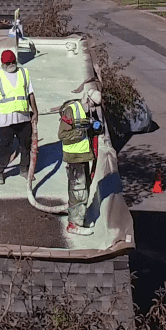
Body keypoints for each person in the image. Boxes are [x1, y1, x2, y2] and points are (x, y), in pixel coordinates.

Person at [0, 48, 36, 184]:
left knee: (26, 146)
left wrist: (35, 112)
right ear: (2, 64)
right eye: (8, 63)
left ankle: (24, 169)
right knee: (4, 148)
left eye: (13, 62)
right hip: (6, 121)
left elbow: (30, 93)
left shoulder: (24, 73)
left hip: (23, 118)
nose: (11, 65)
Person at [59, 89, 101, 227]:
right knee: (78, 192)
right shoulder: (71, 110)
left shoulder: (88, 111)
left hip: (84, 156)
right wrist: (81, 131)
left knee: (83, 190)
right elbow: (62, 135)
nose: (94, 108)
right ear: (87, 99)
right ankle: (74, 224)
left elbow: (96, 129)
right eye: (93, 104)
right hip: (74, 157)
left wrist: (96, 127)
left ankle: (80, 220)